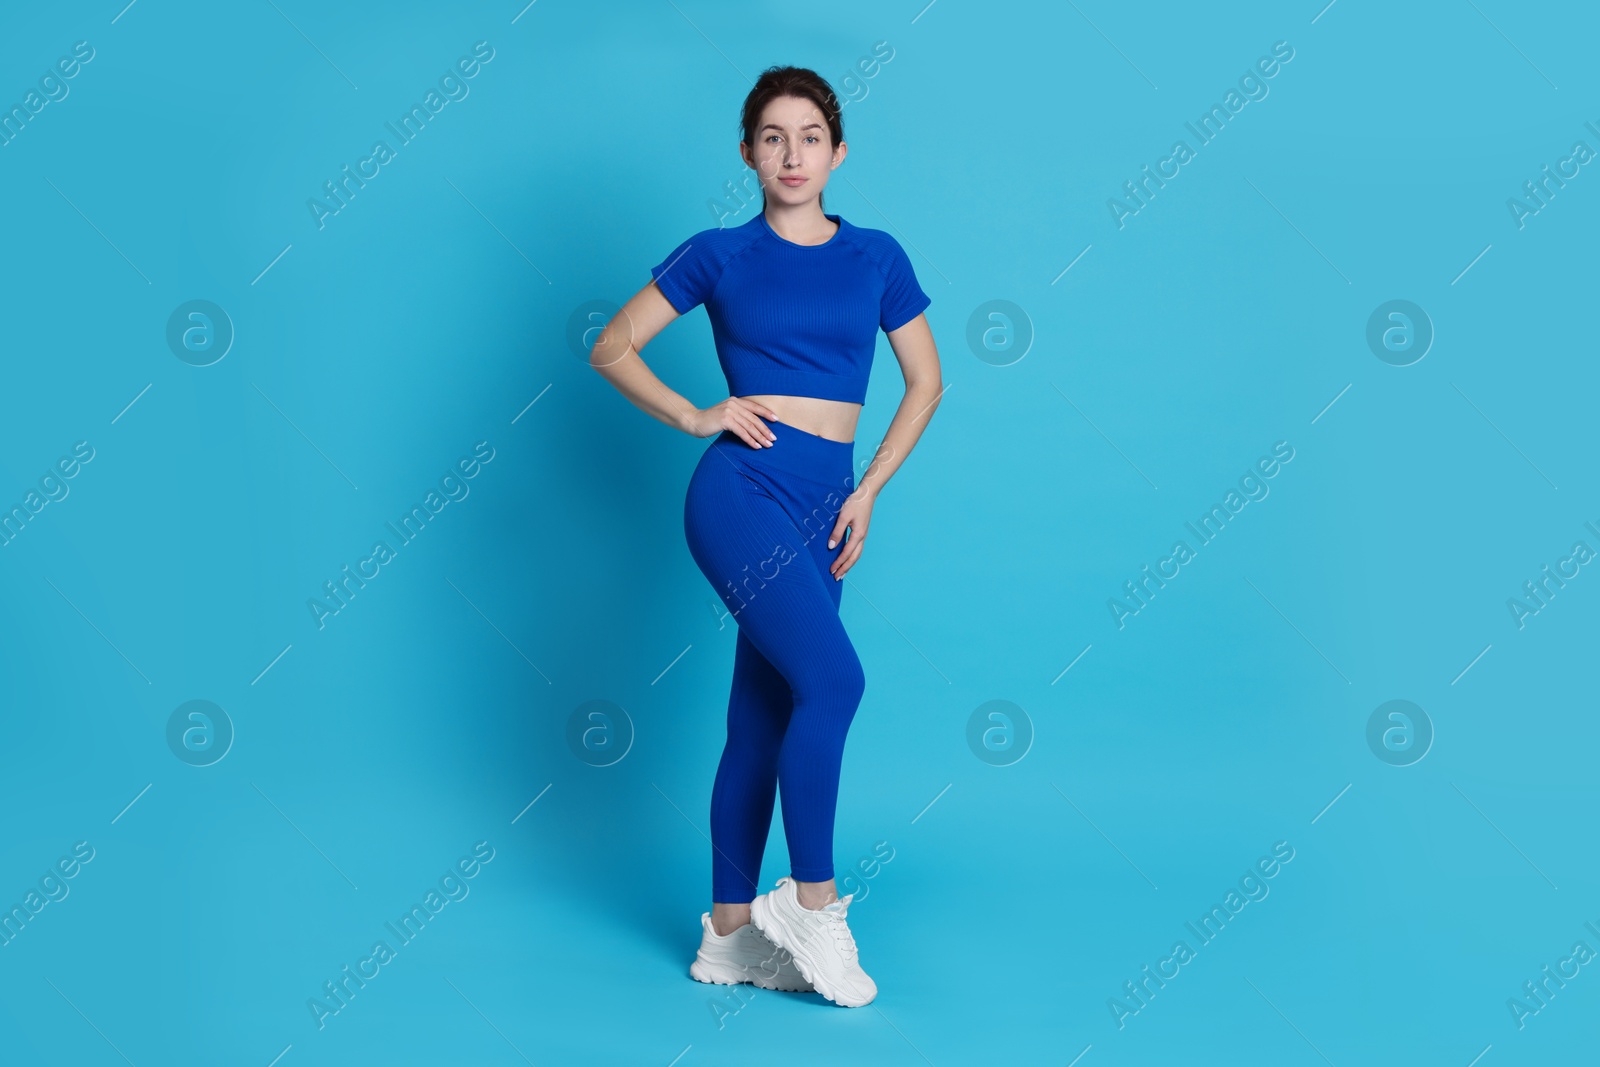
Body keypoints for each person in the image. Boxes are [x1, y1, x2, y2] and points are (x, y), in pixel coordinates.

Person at [588, 65, 941, 1007]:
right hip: (742, 489)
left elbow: (926, 383)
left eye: (810, 136)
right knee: (835, 680)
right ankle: (811, 904)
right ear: (747, 152)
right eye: (773, 137)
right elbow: (611, 344)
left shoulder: (876, 256)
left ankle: (729, 935)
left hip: (826, 503)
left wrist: (868, 490)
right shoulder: (719, 253)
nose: (792, 154)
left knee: (766, 711)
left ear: (839, 152)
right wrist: (693, 416)